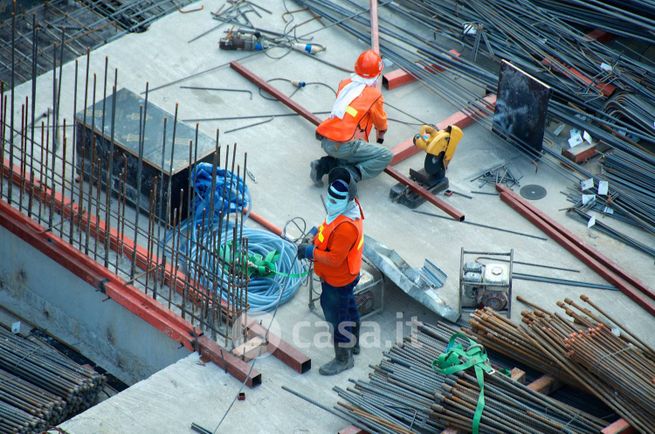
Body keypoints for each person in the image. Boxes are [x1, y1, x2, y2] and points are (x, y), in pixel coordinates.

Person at [297, 168, 364, 375]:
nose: (331, 202)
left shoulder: (346, 227)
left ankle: (344, 359)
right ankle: (353, 344)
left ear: (348, 198)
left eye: (336, 199)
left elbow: (335, 259)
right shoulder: (344, 210)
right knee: (349, 307)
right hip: (345, 277)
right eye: (330, 197)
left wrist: (310, 251)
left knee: (337, 317)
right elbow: (327, 227)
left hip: (338, 279)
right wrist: (314, 235)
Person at [311, 50, 392, 186]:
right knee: (385, 155)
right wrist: (382, 133)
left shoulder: (345, 84)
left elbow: (349, 110)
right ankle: (349, 174)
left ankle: (322, 165)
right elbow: (380, 122)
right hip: (344, 145)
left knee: (350, 153)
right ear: (377, 74)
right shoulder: (374, 95)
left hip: (327, 139)